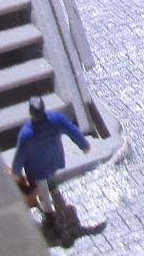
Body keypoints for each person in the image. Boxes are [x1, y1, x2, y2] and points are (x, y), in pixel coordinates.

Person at [11, 95, 89, 239]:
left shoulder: (26, 133)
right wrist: (84, 145)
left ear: (31, 112)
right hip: (53, 158)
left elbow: (20, 156)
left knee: (42, 190)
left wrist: (16, 173)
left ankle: (48, 212)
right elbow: (72, 131)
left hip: (36, 168)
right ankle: (56, 196)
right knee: (50, 176)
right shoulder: (55, 119)